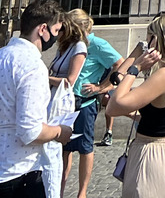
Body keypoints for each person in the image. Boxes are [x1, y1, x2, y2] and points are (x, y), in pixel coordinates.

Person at [0, 0, 73, 198]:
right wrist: (60, 132)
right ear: (42, 29)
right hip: (16, 175)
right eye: (56, 31)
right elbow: (30, 131)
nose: (56, 37)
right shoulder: (32, 66)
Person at [107, 13, 165, 198]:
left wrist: (135, 68)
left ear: (157, 39)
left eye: (149, 37)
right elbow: (163, 119)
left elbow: (113, 106)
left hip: (152, 155)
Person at [60, 10, 121, 198]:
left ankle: (82, 192)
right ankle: (59, 189)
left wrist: (102, 87)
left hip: (85, 102)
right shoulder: (68, 44)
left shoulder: (98, 44)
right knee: (64, 146)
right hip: (66, 101)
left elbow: (120, 64)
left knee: (85, 147)